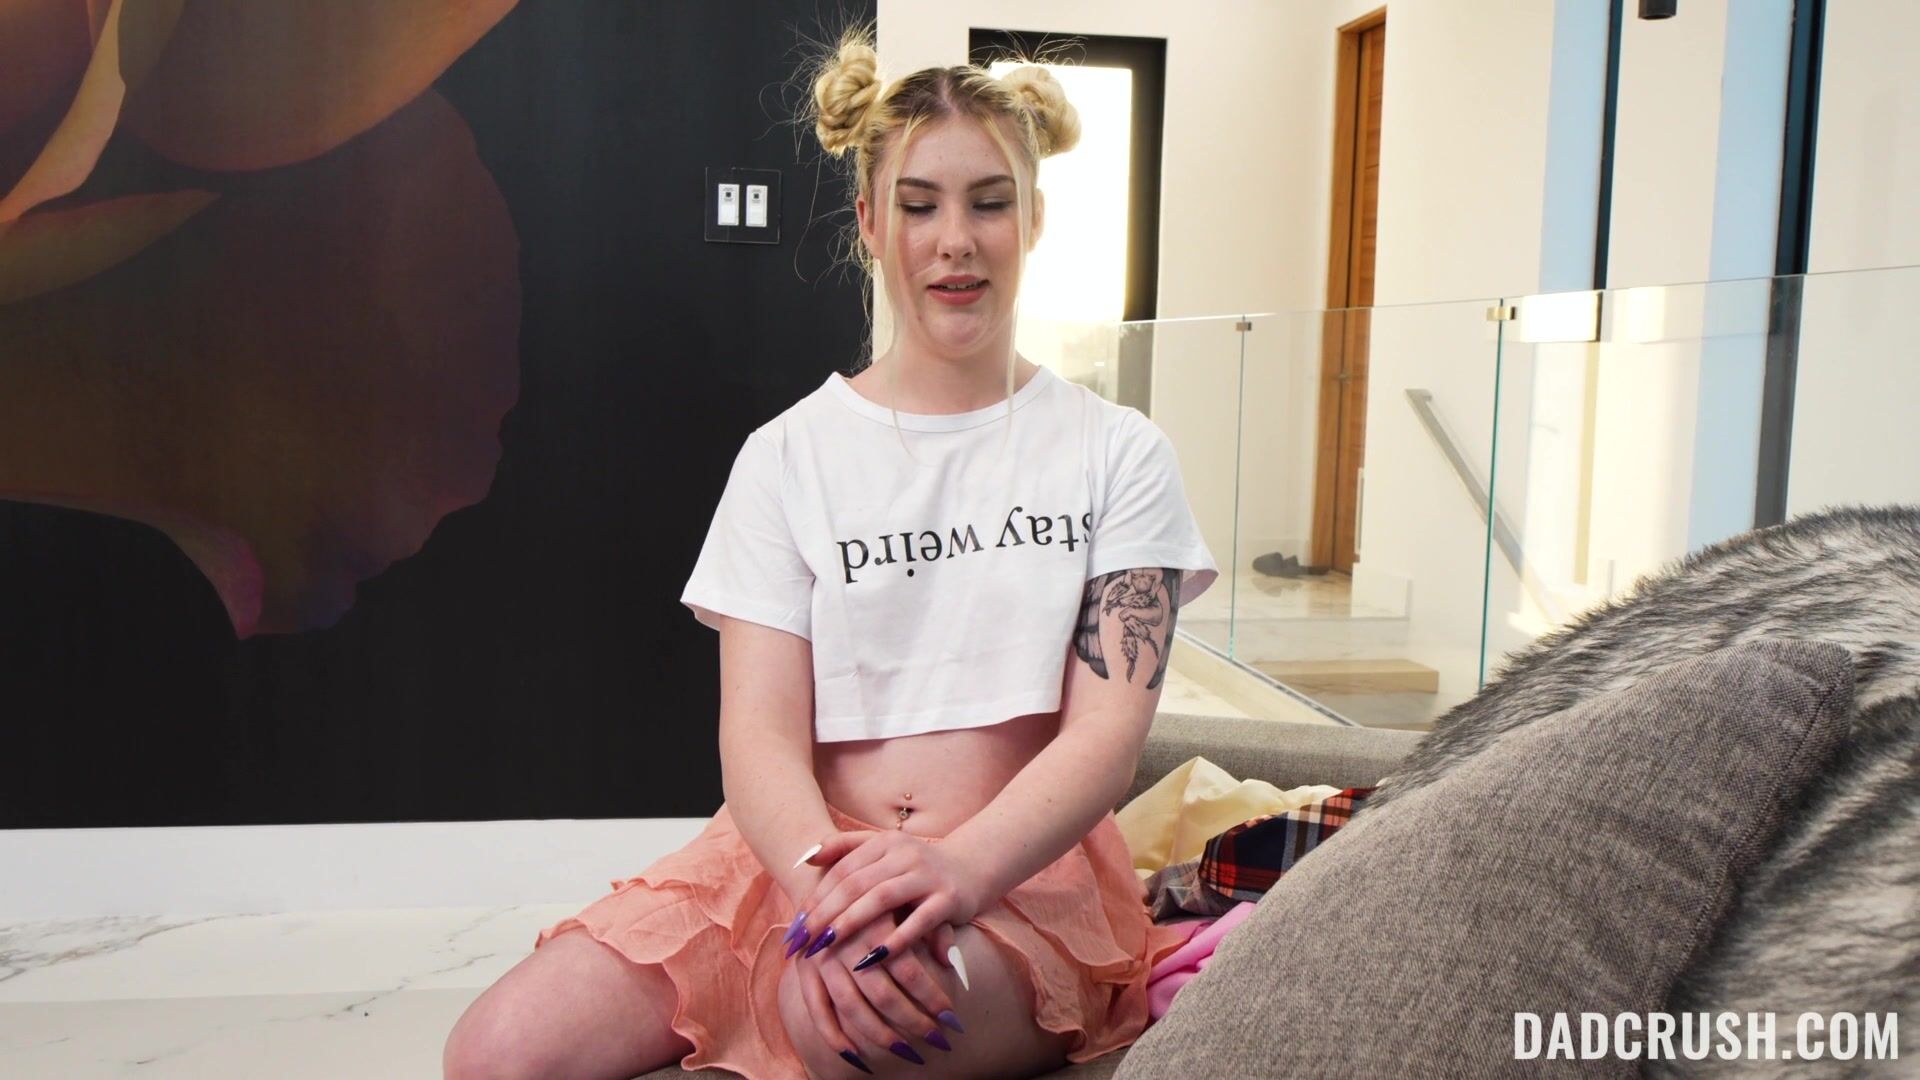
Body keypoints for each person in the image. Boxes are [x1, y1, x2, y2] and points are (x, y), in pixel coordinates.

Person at [444, 28, 1218, 1080]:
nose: (956, 240)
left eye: (990, 202)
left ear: (1034, 219)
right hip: (792, 863)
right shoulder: (786, 456)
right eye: (919, 204)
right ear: (868, 222)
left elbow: (1104, 740)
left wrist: (955, 870)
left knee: (852, 1029)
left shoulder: (1118, 453)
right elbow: (758, 736)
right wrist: (826, 894)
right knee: (494, 1053)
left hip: (1011, 874)